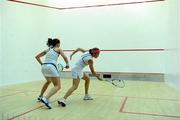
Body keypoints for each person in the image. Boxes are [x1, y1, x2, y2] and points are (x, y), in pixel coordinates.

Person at [35, 38, 69, 109]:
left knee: (48, 81)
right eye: (59, 43)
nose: (60, 45)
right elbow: (65, 57)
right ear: (57, 43)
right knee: (58, 86)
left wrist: (42, 64)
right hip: (51, 67)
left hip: (44, 67)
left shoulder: (48, 49)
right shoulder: (58, 49)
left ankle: (40, 96)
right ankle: (45, 98)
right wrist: (67, 64)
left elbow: (37, 57)